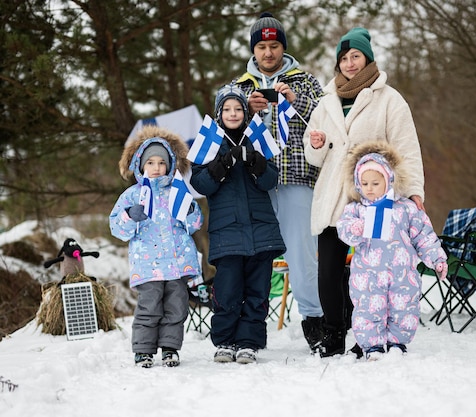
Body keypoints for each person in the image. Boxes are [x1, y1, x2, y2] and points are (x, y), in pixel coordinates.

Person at [303, 27, 427, 357]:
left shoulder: (389, 99)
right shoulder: (326, 100)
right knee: (328, 269)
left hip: (372, 198)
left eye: (355, 56)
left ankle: (366, 335)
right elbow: (313, 154)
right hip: (333, 196)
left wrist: (414, 191)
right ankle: (332, 334)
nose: (349, 63)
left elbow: (407, 148)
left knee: (369, 272)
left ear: (368, 58)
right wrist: (315, 145)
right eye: (343, 58)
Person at [233, 12, 325, 353]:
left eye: (274, 46)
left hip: (296, 178)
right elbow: (221, 128)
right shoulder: (239, 87)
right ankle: (247, 327)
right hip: (254, 183)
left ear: (282, 47)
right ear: (254, 50)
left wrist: (294, 100)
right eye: (261, 46)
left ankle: (315, 320)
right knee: (253, 255)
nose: (268, 53)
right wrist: (247, 109)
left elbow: (325, 117)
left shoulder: (305, 81)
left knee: (301, 253)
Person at [190, 85, 286, 364]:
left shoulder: (255, 138)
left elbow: (271, 181)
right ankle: (225, 340)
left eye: (238, 109)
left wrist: (255, 161)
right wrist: (220, 166)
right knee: (227, 291)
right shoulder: (210, 143)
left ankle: (249, 342)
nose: (233, 113)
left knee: (257, 292)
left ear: (245, 113)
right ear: (219, 114)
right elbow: (199, 183)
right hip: (227, 233)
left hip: (261, 230)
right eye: (227, 109)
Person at [336, 141, 447, 361]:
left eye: (375, 183)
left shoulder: (405, 208)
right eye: (364, 183)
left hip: (402, 273)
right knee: (368, 310)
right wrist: (354, 229)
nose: (369, 188)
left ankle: (398, 343)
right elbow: (344, 231)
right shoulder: (356, 209)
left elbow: (423, 235)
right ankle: (372, 346)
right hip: (368, 275)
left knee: (403, 307)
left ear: (388, 181)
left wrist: (437, 259)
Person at [110, 125, 204, 368]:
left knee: (176, 308)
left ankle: (170, 348)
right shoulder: (132, 195)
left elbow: (194, 224)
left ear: (170, 165)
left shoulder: (177, 192)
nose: (156, 168)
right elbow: (118, 229)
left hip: (177, 263)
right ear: (141, 165)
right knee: (149, 308)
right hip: (148, 265)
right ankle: (143, 350)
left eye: (161, 163)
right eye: (150, 162)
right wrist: (130, 216)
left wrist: (191, 210)